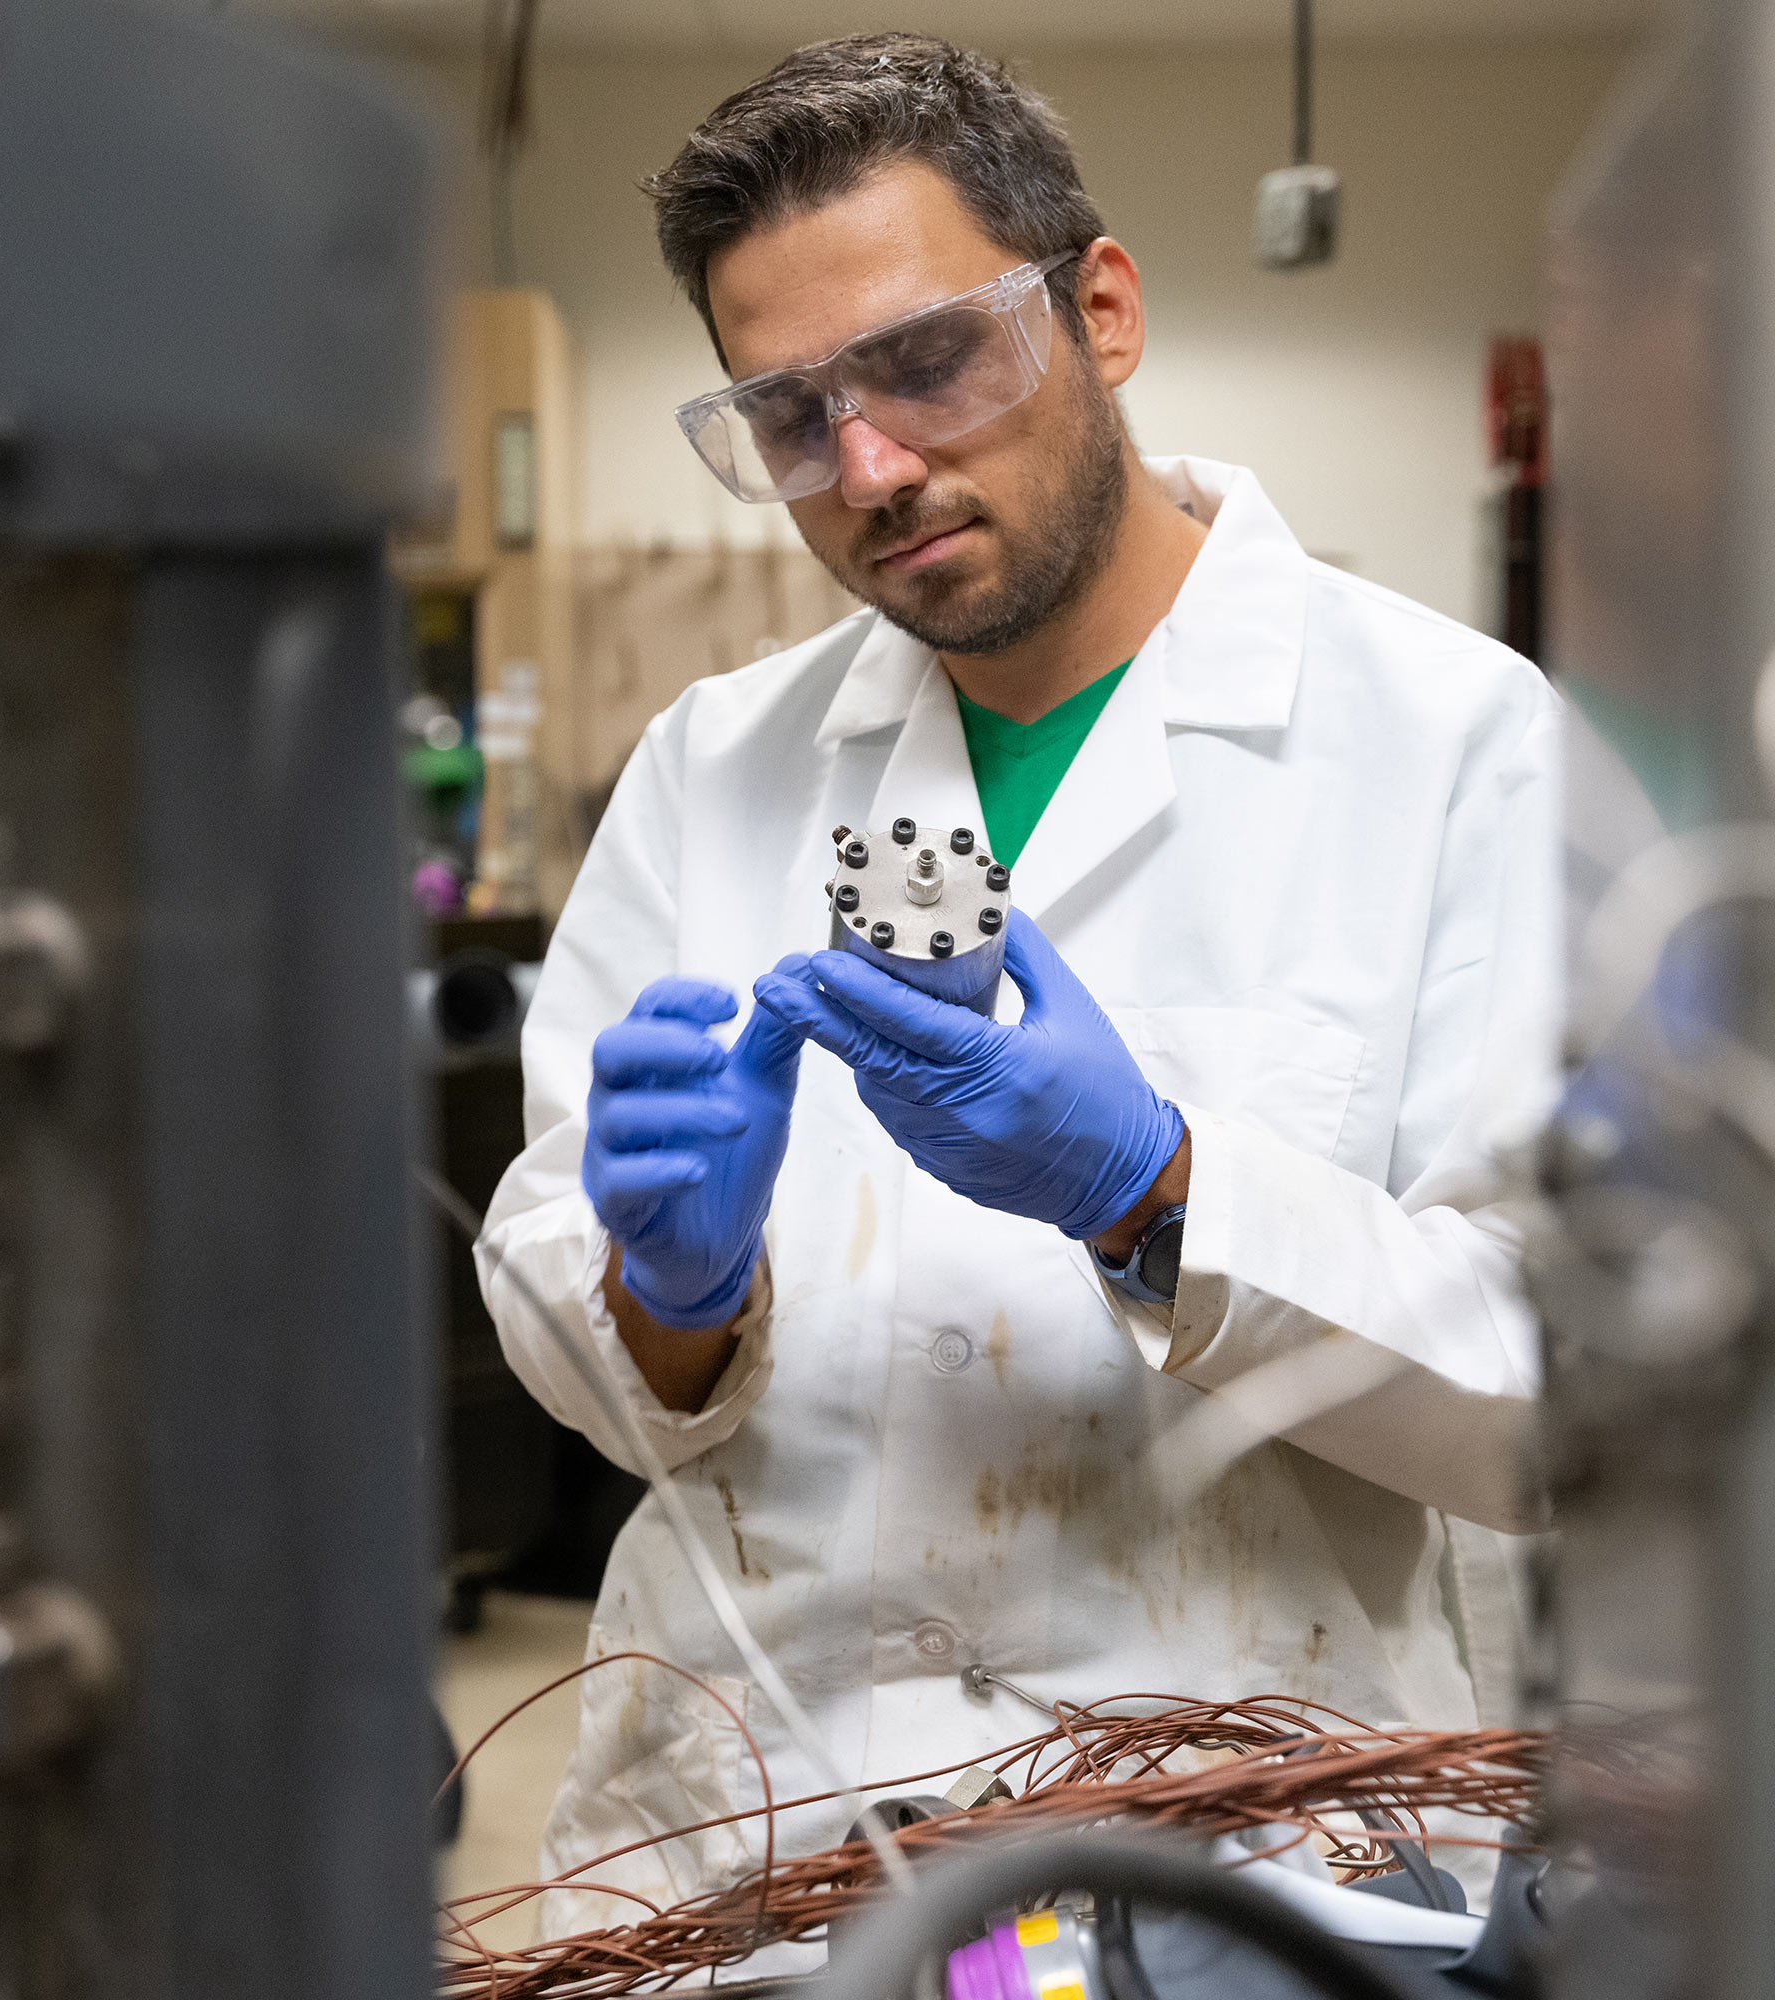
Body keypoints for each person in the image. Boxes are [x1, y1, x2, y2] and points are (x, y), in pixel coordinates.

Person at [475, 31, 1558, 1938]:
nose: (873, 467)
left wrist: (1161, 1192)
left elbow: (1567, 1404)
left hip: (1240, 1857)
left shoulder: (1454, 743)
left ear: (1103, 311)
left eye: (926, 362)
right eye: (792, 417)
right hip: (749, 1856)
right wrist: (668, 1295)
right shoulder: (711, 766)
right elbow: (578, 1337)